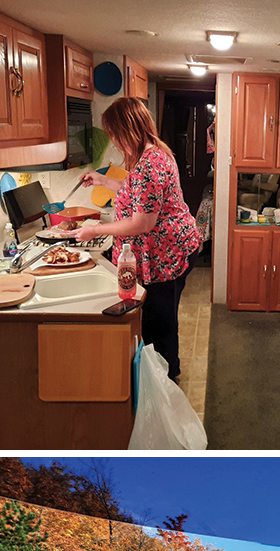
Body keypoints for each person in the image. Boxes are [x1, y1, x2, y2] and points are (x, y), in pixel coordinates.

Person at [72, 97, 202, 381]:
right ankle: (161, 376)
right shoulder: (150, 155)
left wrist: (93, 230)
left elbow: (142, 222)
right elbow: (136, 192)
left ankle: (167, 381)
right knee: (159, 317)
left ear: (126, 129)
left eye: (115, 134)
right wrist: (103, 180)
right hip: (166, 250)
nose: (115, 142)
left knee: (159, 320)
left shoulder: (150, 164)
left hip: (166, 255)